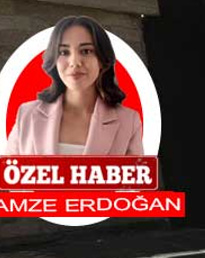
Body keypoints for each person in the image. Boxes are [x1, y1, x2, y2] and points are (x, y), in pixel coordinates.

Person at [4, 15, 143, 156]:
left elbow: (137, 176)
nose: (74, 62)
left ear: (101, 59)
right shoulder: (27, 115)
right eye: (64, 52)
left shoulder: (129, 121)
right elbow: (6, 175)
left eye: (86, 51)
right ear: (55, 60)